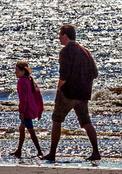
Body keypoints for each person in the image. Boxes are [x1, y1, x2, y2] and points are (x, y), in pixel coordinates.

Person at [41, 24, 101, 162]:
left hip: (67, 93)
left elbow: (64, 75)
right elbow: (95, 73)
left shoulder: (65, 52)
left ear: (65, 36)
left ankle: (52, 153)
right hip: (83, 94)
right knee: (86, 122)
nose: (58, 38)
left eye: (60, 35)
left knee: (56, 120)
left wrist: (59, 88)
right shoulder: (85, 51)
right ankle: (96, 152)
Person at [11, 61, 44, 158]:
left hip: (27, 110)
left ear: (22, 71)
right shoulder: (30, 80)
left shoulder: (21, 81)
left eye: (16, 70)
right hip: (32, 108)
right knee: (22, 129)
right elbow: (39, 96)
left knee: (31, 130)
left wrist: (21, 111)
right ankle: (19, 150)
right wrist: (40, 110)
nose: (15, 72)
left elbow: (23, 98)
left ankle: (39, 151)